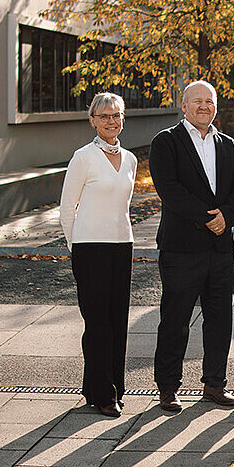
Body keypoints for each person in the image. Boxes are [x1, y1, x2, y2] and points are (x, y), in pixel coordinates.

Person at [150, 80, 234, 412]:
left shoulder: (228, 144)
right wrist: (208, 217)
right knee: (175, 319)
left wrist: (228, 216)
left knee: (220, 320)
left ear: (216, 107)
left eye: (210, 101)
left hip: (221, 249)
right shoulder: (166, 142)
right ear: (184, 104)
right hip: (181, 249)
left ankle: (214, 384)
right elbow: (169, 189)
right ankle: (167, 387)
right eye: (197, 101)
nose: (204, 106)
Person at [59, 92, 137, 418]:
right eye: (104, 116)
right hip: (89, 248)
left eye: (116, 115)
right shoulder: (83, 158)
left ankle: (106, 388)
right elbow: (66, 209)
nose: (111, 121)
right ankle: (104, 393)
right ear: (92, 120)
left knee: (118, 321)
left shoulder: (131, 159)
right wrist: (75, 247)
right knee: (97, 323)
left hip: (123, 244)